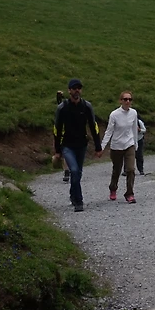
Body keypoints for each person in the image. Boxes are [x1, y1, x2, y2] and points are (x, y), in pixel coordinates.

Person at [52, 79, 102, 212]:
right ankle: (79, 201)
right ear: (69, 91)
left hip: (81, 145)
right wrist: (57, 150)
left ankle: (73, 195)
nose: (77, 91)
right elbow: (57, 129)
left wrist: (98, 146)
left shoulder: (86, 106)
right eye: (74, 88)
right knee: (73, 170)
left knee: (78, 173)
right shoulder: (62, 108)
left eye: (79, 88)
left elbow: (93, 126)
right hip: (67, 145)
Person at [101, 90, 141, 203]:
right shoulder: (114, 114)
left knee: (131, 169)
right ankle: (113, 188)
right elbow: (109, 131)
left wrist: (135, 144)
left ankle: (129, 193)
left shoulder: (133, 113)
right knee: (117, 169)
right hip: (117, 146)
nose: (127, 101)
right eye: (125, 99)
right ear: (121, 101)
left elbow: (134, 129)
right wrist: (102, 147)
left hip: (129, 144)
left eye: (130, 99)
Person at [55, 90, 69, 183]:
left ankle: (69, 170)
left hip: (70, 134)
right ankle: (66, 171)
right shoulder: (61, 109)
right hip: (63, 134)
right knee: (65, 154)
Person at [135, 110, 147, 176]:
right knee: (128, 156)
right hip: (130, 140)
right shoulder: (127, 122)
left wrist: (139, 130)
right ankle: (126, 170)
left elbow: (144, 130)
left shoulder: (139, 122)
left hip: (139, 139)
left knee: (139, 155)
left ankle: (141, 170)